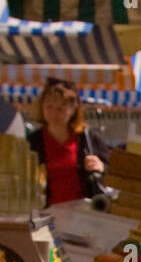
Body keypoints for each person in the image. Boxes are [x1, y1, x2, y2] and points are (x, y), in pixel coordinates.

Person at [27, 78, 109, 206]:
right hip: (47, 216)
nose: (53, 113)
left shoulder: (87, 138)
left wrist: (102, 167)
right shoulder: (33, 142)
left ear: (73, 110)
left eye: (60, 109)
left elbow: (113, 171)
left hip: (85, 215)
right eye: (49, 107)